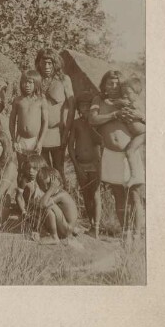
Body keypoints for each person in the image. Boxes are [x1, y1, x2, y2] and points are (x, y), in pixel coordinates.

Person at [89, 70, 145, 237]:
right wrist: (114, 114)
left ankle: (137, 233)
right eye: (109, 83)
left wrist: (138, 115)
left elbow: (143, 119)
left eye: (116, 83)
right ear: (104, 84)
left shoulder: (127, 100)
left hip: (130, 155)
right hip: (111, 154)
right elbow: (92, 120)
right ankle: (125, 232)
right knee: (118, 196)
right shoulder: (98, 100)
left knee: (134, 195)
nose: (113, 87)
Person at [35, 48, 75, 175]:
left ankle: (62, 193)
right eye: (44, 62)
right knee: (43, 170)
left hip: (58, 132)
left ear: (55, 64)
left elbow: (71, 107)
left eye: (50, 63)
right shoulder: (35, 79)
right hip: (39, 133)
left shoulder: (64, 80)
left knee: (59, 169)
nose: (46, 66)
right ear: (38, 63)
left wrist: (66, 132)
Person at [68, 92, 102, 237]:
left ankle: (97, 226)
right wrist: (76, 165)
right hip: (81, 164)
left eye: (88, 106)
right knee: (86, 194)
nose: (85, 109)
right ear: (78, 108)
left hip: (96, 164)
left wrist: (92, 124)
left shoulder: (97, 124)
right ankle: (91, 224)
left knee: (95, 193)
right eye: (82, 106)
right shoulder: (76, 123)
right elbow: (70, 146)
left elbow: (101, 142)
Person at [9, 70, 48, 167]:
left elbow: (45, 122)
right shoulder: (18, 100)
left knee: (34, 168)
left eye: (30, 82)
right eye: (24, 82)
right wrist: (13, 140)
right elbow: (12, 121)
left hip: (35, 140)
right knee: (21, 167)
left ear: (37, 84)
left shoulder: (41, 100)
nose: (27, 85)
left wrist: (40, 142)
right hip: (20, 139)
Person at [35, 166, 79, 245]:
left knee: (47, 206)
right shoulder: (55, 193)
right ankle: (46, 232)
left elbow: (42, 205)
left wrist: (51, 189)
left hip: (67, 229)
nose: (46, 188)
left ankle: (54, 237)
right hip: (64, 227)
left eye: (49, 184)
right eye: (42, 185)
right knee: (41, 207)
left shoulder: (61, 195)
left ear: (57, 183)